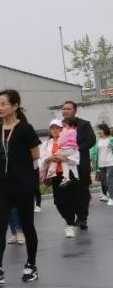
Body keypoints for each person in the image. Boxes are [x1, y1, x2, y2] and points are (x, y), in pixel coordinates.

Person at [0, 90, 41, 285]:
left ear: (15, 106)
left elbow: (35, 155)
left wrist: (27, 174)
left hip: (23, 184)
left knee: (27, 225)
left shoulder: (26, 129)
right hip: (2, 185)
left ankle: (31, 265)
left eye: (3, 104)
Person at [41, 118, 81, 237]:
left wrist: (64, 158)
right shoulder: (46, 144)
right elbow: (41, 161)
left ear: (62, 129)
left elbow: (76, 159)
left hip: (68, 174)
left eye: (58, 128)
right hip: (54, 175)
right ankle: (69, 220)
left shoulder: (69, 141)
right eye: (52, 128)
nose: (55, 130)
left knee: (70, 200)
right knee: (58, 201)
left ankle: (70, 225)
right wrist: (48, 159)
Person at [61, 101, 96, 230]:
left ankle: (82, 218)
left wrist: (76, 149)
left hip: (81, 162)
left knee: (82, 191)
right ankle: (74, 215)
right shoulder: (60, 125)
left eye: (68, 109)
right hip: (65, 163)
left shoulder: (84, 124)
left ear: (75, 111)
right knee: (70, 192)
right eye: (64, 109)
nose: (65, 111)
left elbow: (91, 140)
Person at [93, 123, 113, 205]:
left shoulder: (111, 139)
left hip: (110, 162)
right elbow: (94, 152)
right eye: (98, 130)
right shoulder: (98, 140)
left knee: (109, 180)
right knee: (103, 181)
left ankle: (111, 198)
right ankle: (106, 194)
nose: (98, 131)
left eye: (100, 129)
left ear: (104, 130)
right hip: (101, 163)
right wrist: (93, 161)